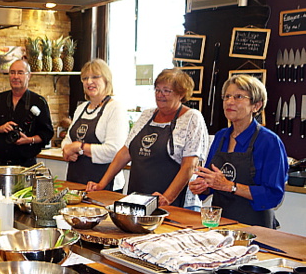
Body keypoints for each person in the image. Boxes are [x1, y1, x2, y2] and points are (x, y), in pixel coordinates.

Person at [87, 68, 209, 208]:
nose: (160, 95)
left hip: (172, 203)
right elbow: (125, 152)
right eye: (157, 90)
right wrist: (101, 184)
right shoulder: (147, 115)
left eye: (166, 91)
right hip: (138, 197)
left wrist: (167, 198)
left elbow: (190, 165)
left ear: (181, 94)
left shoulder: (192, 118)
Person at [189, 74, 288, 228]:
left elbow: (273, 195)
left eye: (238, 97)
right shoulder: (221, 136)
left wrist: (231, 186)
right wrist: (202, 185)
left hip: (254, 227)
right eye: (227, 96)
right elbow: (210, 180)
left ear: (256, 105)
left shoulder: (269, 142)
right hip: (220, 224)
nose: (230, 102)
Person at [61, 59, 129, 191]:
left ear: (106, 79)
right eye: (85, 78)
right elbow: (67, 140)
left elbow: (114, 151)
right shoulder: (81, 108)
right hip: (76, 181)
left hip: (104, 185)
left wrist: (79, 147)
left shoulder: (115, 108)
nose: (89, 82)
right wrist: (67, 150)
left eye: (95, 77)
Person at [0, 59, 54, 167]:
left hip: (27, 166)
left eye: (20, 73)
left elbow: (47, 134)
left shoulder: (39, 102)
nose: (15, 77)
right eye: (12, 72)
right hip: (0, 165)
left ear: (29, 76)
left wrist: (28, 140)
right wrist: (0, 128)